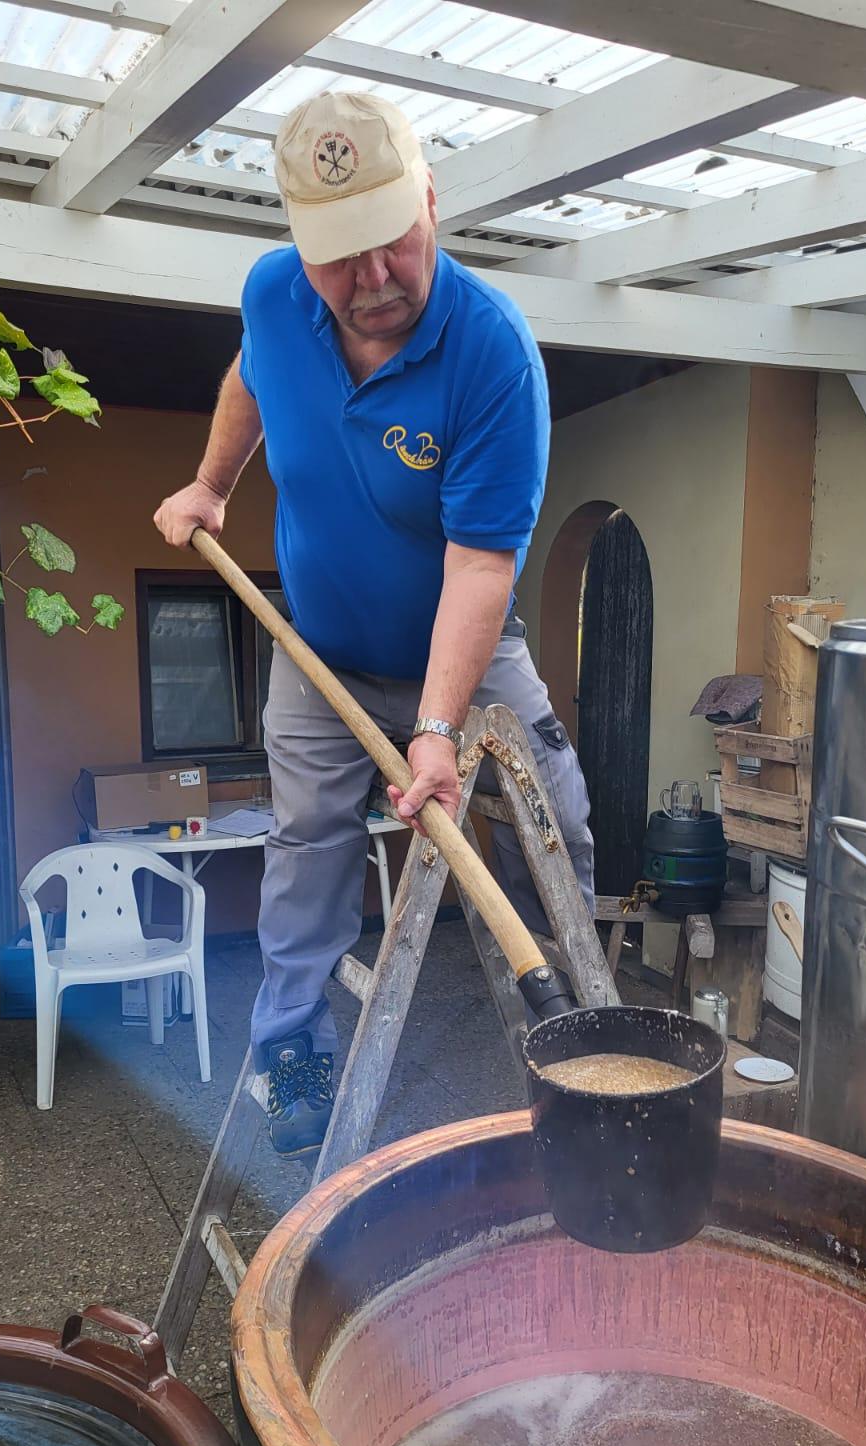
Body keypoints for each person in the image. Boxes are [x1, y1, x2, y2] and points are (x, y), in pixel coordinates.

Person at [155, 91, 595, 1158]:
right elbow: (252, 376)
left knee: (555, 822)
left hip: (469, 654)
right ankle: (294, 1051)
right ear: (300, 246)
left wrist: (438, 729)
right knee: (307, 847)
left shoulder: (493, 354)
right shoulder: (274, 296)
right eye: (339, 256)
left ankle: (585, 1042)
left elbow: (480, 564)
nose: (374, 279)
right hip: (321, 657)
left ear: (430, 201)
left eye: (392, 240)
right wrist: (212, 484)